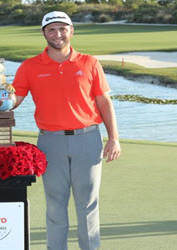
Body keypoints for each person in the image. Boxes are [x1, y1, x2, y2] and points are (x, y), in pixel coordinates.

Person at [12, 11, 121, 250]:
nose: (58, 34)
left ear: (71, 31)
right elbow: (13, 100)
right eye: (52, 29)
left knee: (88, 204)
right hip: (51, 143)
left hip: (88, 139)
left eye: (62, 28)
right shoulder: (29, 67)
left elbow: (104, 102)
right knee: (55, 203)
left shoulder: (90, 62)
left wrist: (114, 138)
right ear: (43, 33)